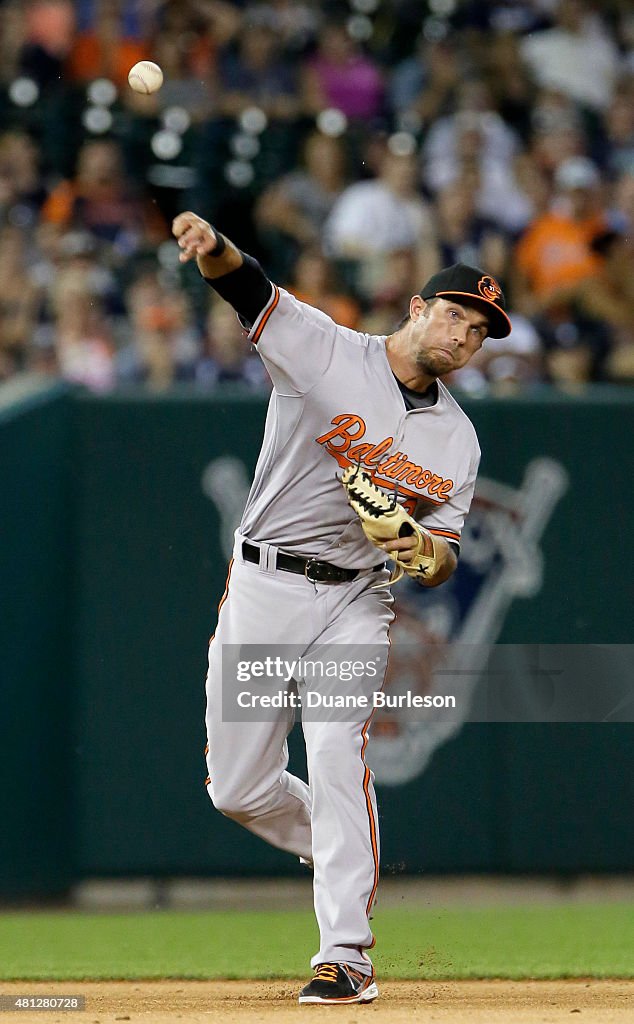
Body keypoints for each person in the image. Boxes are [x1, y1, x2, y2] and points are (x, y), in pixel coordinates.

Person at [171, 209, 511, 1004]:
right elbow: (250, 292)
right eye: (456, 314)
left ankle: (345, 954)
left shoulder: (457, 442)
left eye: (479, 332)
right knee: (238, 789)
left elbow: (443, 559)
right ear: (418, 308)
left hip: (357, 601)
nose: (464, 336)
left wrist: (418, 550)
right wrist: (213, 247)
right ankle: (340, 844)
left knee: (333, 752)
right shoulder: (326, 349)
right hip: (265, 584)